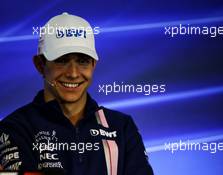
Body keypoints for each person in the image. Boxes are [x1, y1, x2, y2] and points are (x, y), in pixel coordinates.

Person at [0, 12, 153, 175]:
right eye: (62, 60)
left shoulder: (122, 127)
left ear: (93, 65)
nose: (73, 73)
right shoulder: (14, 128)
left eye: (82, 61)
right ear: (40, 64)